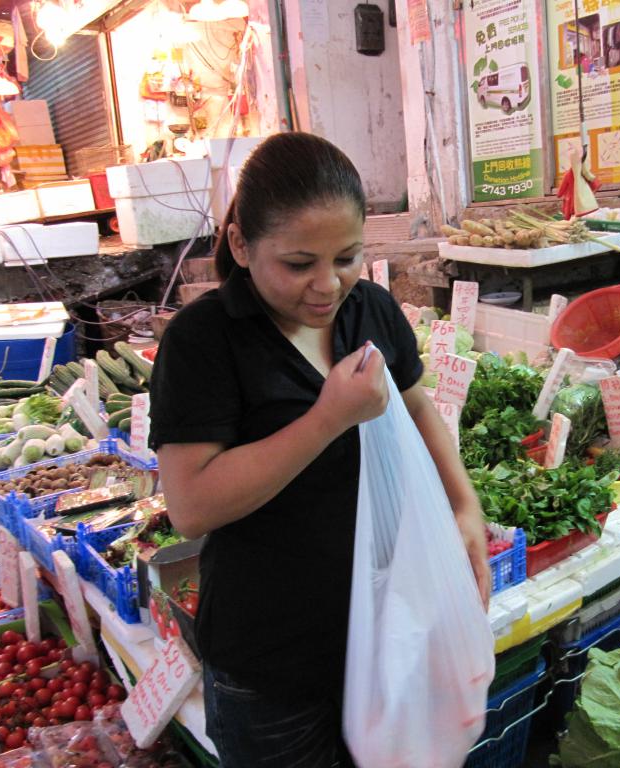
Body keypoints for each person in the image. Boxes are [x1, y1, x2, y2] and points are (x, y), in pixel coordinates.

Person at [148, 132, 491, 768]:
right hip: (273, 662)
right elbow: (191, 505)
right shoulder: (204, 342)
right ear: (241, 245)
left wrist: (464, 506)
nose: (327, 285)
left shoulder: (372, 310)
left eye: (347, 257)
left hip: (388, 626)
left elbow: (418, 407)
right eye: (300, 263)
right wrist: (327, 418)